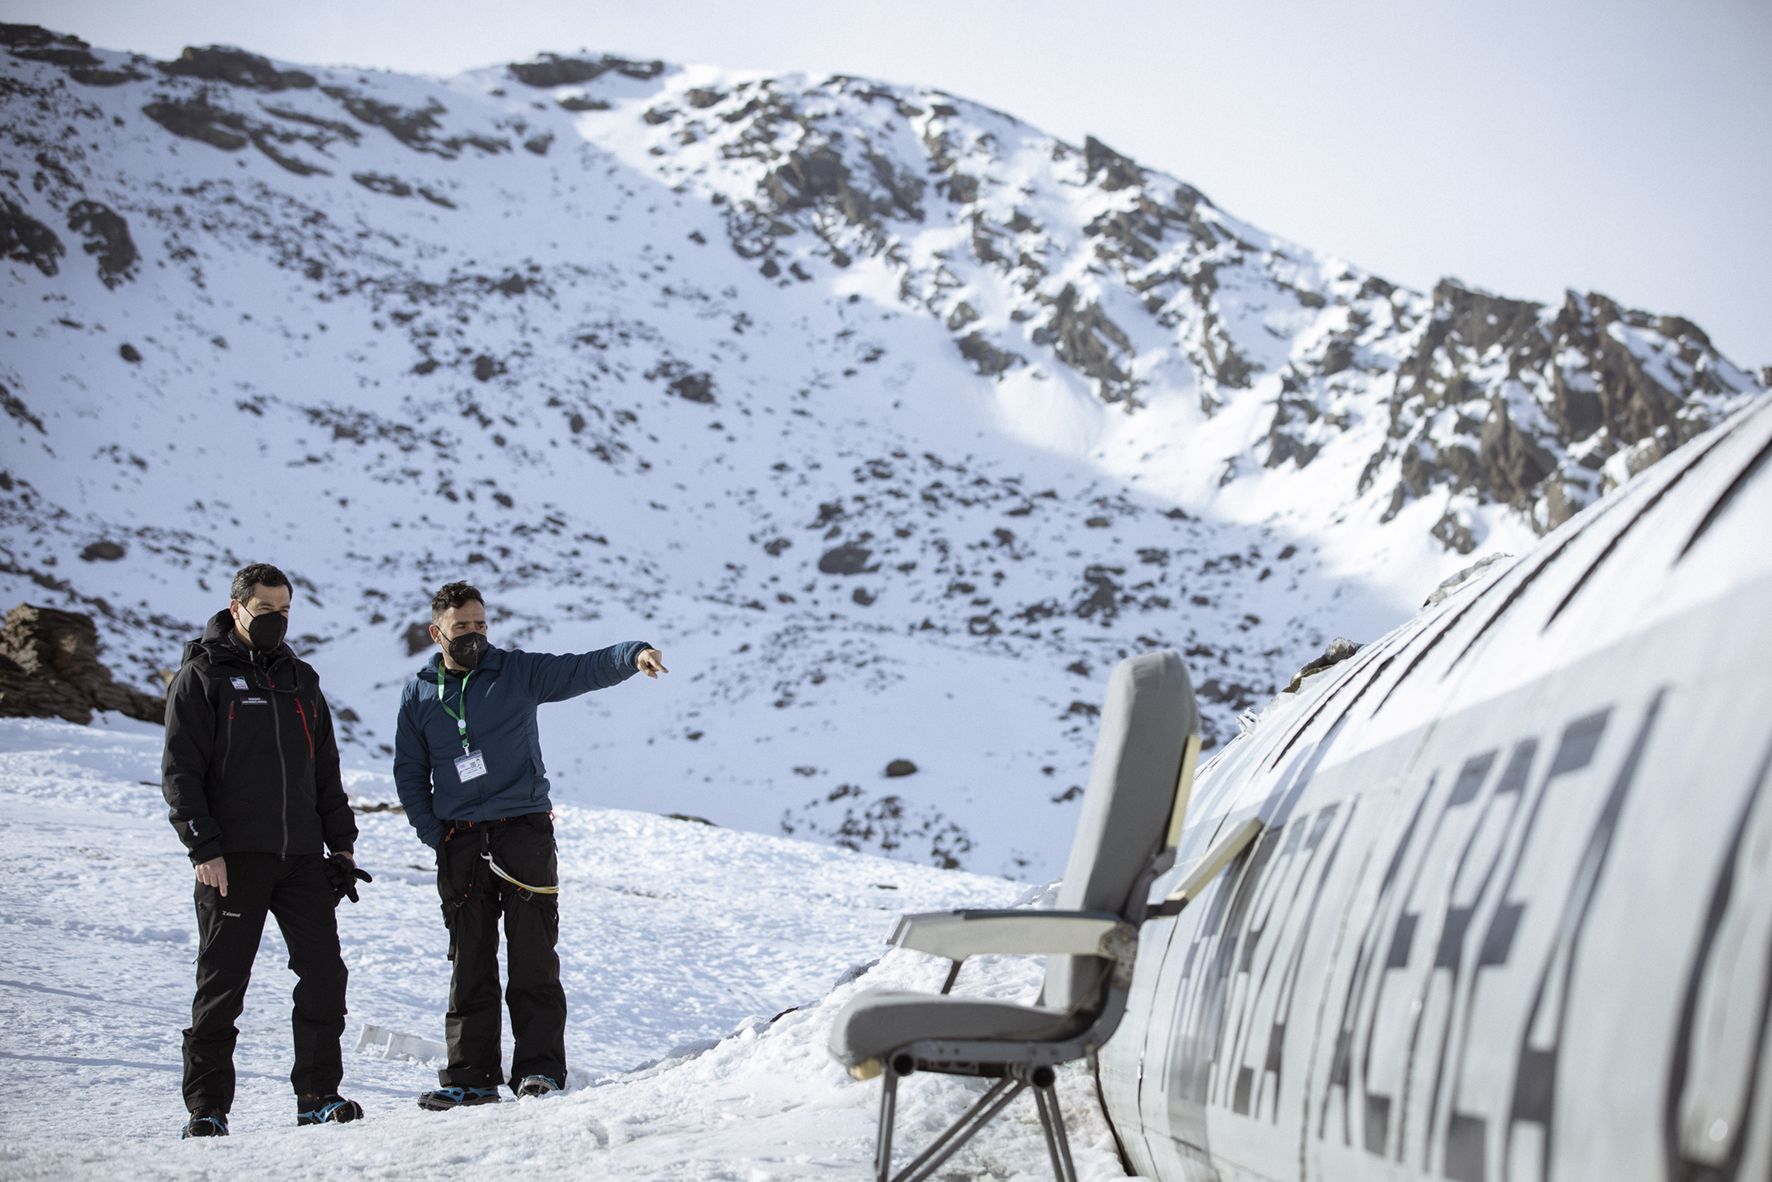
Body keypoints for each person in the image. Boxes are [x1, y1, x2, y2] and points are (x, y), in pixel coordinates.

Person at [394, 581, 667, 1109]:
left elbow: (580, 668)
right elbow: (409, 770)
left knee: (534, 959)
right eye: (462, 627)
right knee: (469, 962)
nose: (474, 635)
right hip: (460, 842)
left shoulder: (516, 672)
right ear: (436, 632)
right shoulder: (420, 693)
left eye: (480, 625)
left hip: (523, 834)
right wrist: (436, 835)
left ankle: (539, 1072)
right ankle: (469, 1078)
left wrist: (633, 654)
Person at [162, 562, 369, 1138]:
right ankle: (207, 1109)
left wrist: (342, 847)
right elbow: (181, 773)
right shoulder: (201, 677)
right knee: (223, 985)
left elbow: (324, 769)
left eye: (284, 612)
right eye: (265, 611)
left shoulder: (301, 678)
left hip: (302, 858)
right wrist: (204, 847)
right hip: (232, 861)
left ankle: (318, 1096)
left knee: (325, 975)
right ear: (237, 611)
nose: (276, 621)